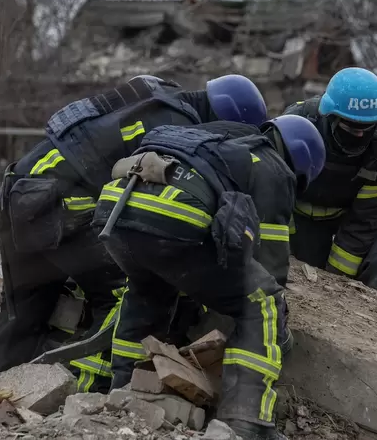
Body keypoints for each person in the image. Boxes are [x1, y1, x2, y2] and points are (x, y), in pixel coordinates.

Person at [0, 73, 268, 394]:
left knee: (21, 315)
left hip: (18, 194)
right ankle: (94, 397)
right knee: (125, 292)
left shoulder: (156, 97)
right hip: (59, 205)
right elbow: (154, 210)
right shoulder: (180, 128)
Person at [94, 115, 326, 440]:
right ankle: (247, 419)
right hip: (173, 216)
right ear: (301, 162)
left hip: (115, 212)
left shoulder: (218, 137)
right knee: (262, 301)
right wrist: (280, 328)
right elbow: (270, 264)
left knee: (148, 290)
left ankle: (122, 393)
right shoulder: (274, 166)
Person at [280, 67, 377, 295]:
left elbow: (363, 225)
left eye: (366, 129)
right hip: (295, 218)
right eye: (350, 127)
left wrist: (334, 285)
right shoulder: (295, 127)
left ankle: (370, 321)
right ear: (331, 115)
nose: (359, 136)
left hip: (344, 222)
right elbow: (272, 193)